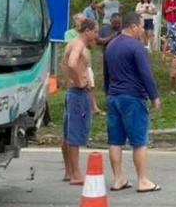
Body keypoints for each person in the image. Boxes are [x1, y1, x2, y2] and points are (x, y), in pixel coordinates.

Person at [104, 12, 162, 193]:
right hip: (132, 96)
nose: (144, 30)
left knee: (115, 140)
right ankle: (143, 180)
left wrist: (108, 92)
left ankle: (117, 179)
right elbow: (146, 74)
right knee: (139, 141)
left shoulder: (110, 45)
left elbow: (106, 73)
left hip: (114, 96)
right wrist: (154, 96)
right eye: (142, 26)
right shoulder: (136, 47)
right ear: (134, 26)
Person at [61, 17, 98, 185]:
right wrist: (79, 80)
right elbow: (71, 63)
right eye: (95, 31)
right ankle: (76, 174)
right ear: (87, 31)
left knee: (68, 133)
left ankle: (69, 171)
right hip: (77, 92)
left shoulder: (75, 42)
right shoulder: (78, 44)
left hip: (72, 92)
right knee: (75, 133)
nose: (96, 35)